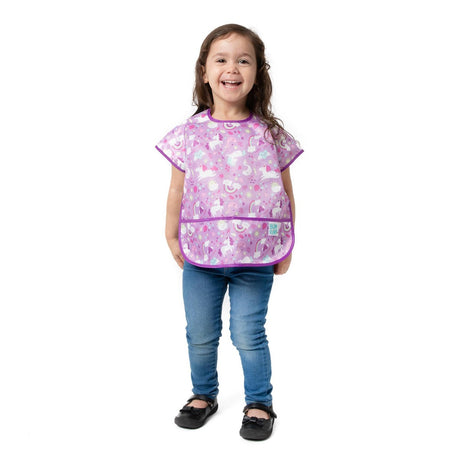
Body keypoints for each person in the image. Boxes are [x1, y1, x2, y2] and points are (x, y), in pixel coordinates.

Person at [156, 23, 303, 441]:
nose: (232, 68)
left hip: (255, 256)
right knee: (200, 334)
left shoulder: (271, 135)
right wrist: (171, 234)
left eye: (244, 60)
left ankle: (259, 402)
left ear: (258, 71)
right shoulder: (188, 134)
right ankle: (203, 394)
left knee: (248, 334)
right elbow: (177, 189)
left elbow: (285, 192)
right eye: (221, 59)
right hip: (200, 256)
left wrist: (286, 245)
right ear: (204, 72)